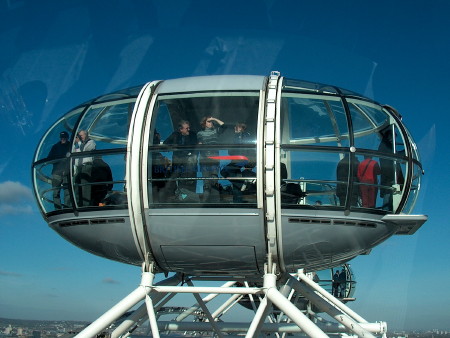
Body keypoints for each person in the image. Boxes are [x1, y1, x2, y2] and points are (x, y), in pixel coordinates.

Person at [220, 122, 255, 203]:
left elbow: (233, 150)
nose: (234, 129)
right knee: (235, 178)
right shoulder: (248, 135)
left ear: (240, 128)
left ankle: (242, 184)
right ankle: (238, 201)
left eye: (236, 127)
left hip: (239, 160)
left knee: (224, 171)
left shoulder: (239, 136)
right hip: (243, 159)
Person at [163, 120, 198, 200]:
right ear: (181, 129)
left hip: (189, 161)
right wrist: (173, 147)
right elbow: (166, 143)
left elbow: (195, 146)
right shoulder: (175, 135)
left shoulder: (192, 135)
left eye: (189, 128)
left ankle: (188, 197)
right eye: (187, 128)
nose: (188, 129)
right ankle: (179, 197)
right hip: (178, 160)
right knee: (176, 178)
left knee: (189, 179)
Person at [197, 116, 226, 201]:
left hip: (214, 158)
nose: (211, 123)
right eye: (208, 122)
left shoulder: (215, 131)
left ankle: (215, 201)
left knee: (214, 180)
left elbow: (224, 126)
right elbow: (200, 144)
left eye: (211, 122)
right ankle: (206, 202)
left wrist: (214, 119)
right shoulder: (200, 133)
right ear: (204, 124)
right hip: (204, 159)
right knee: (206, 182)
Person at [378, 131, 404, 211]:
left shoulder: (384, 146)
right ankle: (387, 211)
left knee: (388, 196)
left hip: (389, 178)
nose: (394, 140)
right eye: (393, 137)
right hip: (391, 178)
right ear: (389, 137)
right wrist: (405, 152)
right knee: (389, 197)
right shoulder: (387, 147)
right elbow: (394, 156)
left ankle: (387, 211)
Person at [47, 131, 71, 209]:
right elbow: (49, 158)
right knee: (56, 192)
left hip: (67, 172)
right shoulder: (55, 147)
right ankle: (58, 208)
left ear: (67, 138)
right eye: (62, 138)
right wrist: (60, 160)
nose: (63, 139)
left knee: (67, 191)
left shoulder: (71, 146)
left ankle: (67, 208)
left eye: (64, 138)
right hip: (57, 172)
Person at [75, 130, 96, 206]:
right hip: (79, 167)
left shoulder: (91, 142)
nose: (80, 137)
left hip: (86, 166)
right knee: (77, 187)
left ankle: (85, 204)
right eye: (79, 136)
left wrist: (79, 142)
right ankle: (78, 203)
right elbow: (74, 152)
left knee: (85, 186)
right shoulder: (78, 145)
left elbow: (85, 150)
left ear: (86, 135)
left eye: (82, 135)